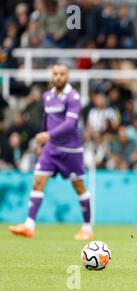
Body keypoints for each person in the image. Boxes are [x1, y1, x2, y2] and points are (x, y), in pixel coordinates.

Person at [9, 63, 94, 240]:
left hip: (70, 150)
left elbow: (70, 124)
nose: (58, 77)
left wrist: (48, 135)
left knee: (79, 187)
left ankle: (87, 228)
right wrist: (42, 144)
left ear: (68, 76)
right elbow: (47, 120)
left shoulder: (73, 96)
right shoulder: (47, 96)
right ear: (51, 75)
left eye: (61, 74)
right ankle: (29, 226)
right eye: (55, 74)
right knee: (38, 182)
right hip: (51, 149)